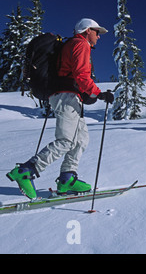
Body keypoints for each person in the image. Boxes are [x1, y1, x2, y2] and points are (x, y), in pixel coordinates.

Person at [6, 18, 115, 199]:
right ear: (87, 30)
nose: (99, 36)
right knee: (66, 140)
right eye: (97, 32)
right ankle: (26, 170)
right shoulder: (80, 44)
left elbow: (74, 74)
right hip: (66, 96)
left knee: (81, 140)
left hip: (69, 96)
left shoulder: (74, 45)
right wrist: (99, 93)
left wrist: (88, 94)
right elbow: (81, 75)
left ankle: (67, 178)